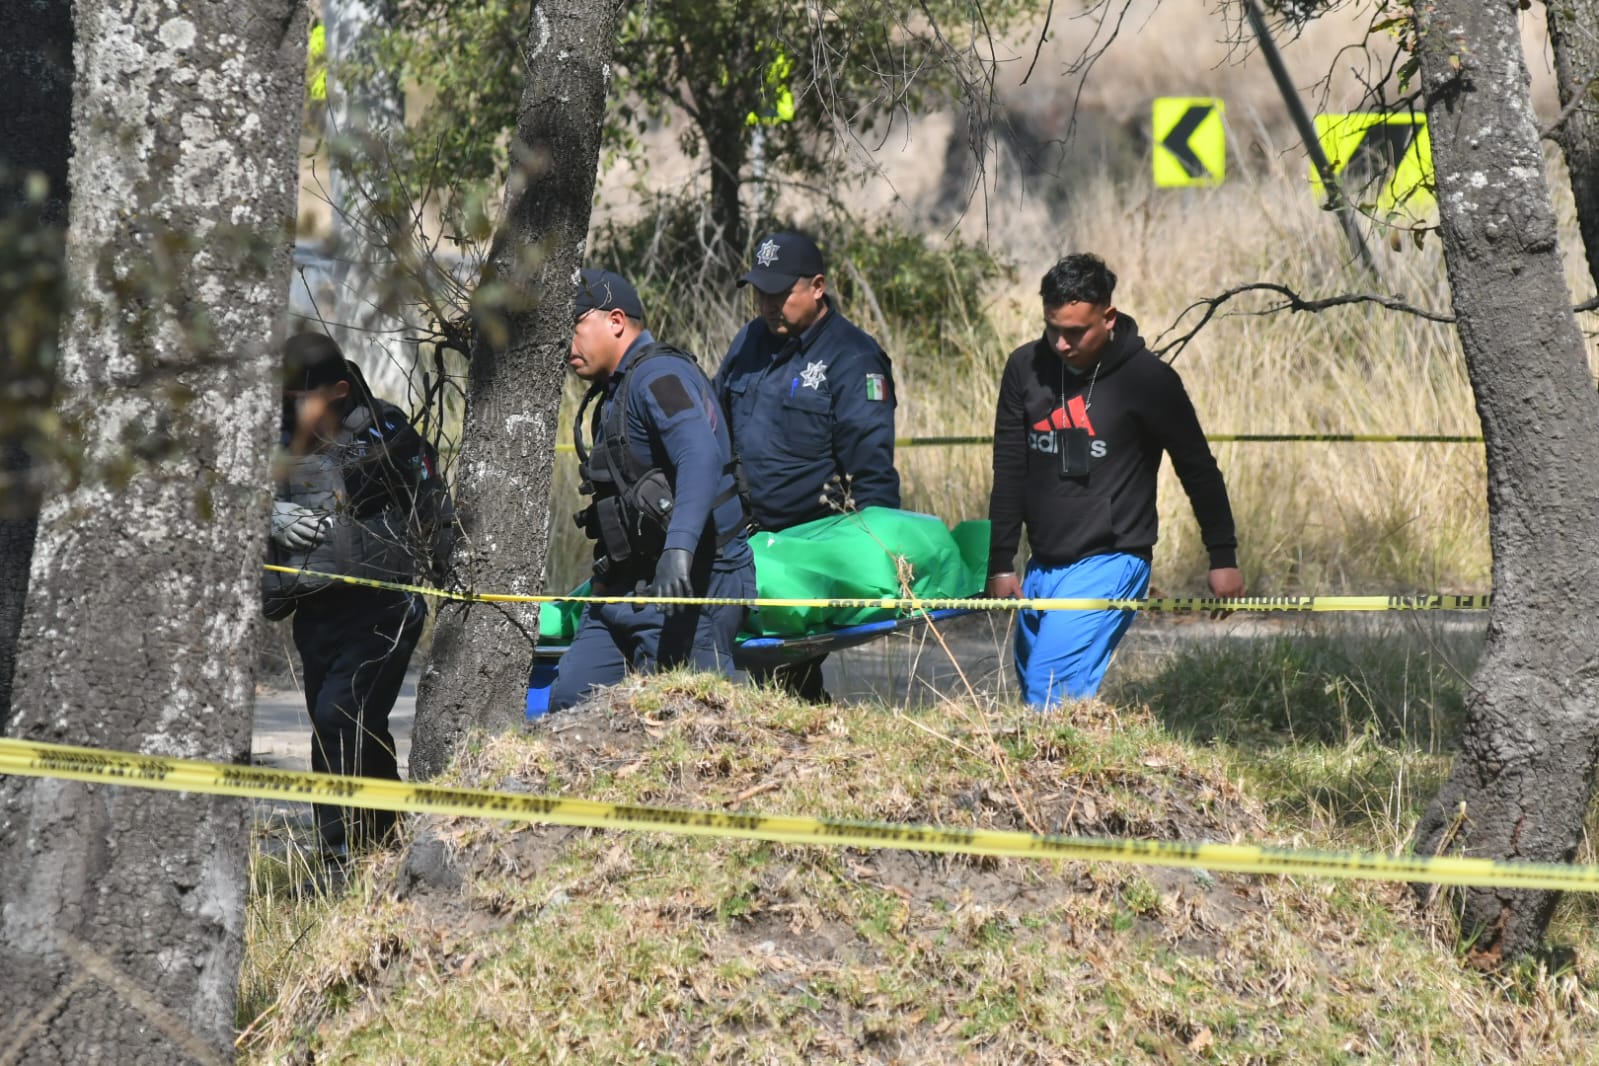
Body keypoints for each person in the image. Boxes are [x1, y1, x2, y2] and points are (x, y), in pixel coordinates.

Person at [986, 253, 1243, 707]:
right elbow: (1009, 470)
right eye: (1052, 329)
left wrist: (1223, 556)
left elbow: (1198, 468)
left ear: (1108, 316)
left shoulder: (1150, 380)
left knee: (1049, 691)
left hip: (1112, 559)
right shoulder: (1024, 368)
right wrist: (1002, 562)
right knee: (1035, 692)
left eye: (1075, 332)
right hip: (1042, 563)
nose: (1062, 344)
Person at [263, 332, 453, 870]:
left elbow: (431, 501)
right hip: (315, 609)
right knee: (339, 726)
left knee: (339, 713)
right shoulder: (271, 438)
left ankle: (365, 840)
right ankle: (351, 849)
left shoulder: (385, 431)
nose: (289, 410)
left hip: (384, 607)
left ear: (340, 390)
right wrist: (267, 514)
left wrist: (446, 568)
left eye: (301, 399)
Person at [548, 269, 756, 711]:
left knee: (689, 722)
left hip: (692, 581)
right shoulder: (618, 388)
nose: (565, 344)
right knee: (570, 703)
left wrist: (677, 550)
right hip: (626, 588)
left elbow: (700, 455)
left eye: (574, 327)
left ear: (616, 321)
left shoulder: (657, 376)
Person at [714, 232, 900, 701]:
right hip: (741, 541)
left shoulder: (853, 357)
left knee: (782, 676)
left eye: (779, 295)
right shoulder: (750, 341)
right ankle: (806, 738)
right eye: (760, 294)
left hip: (808, 552)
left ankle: (808, 742)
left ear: (817, 287)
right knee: (762, 676)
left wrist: (879, 561)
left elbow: (871, 468)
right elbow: (714, 420)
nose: (768, 305)